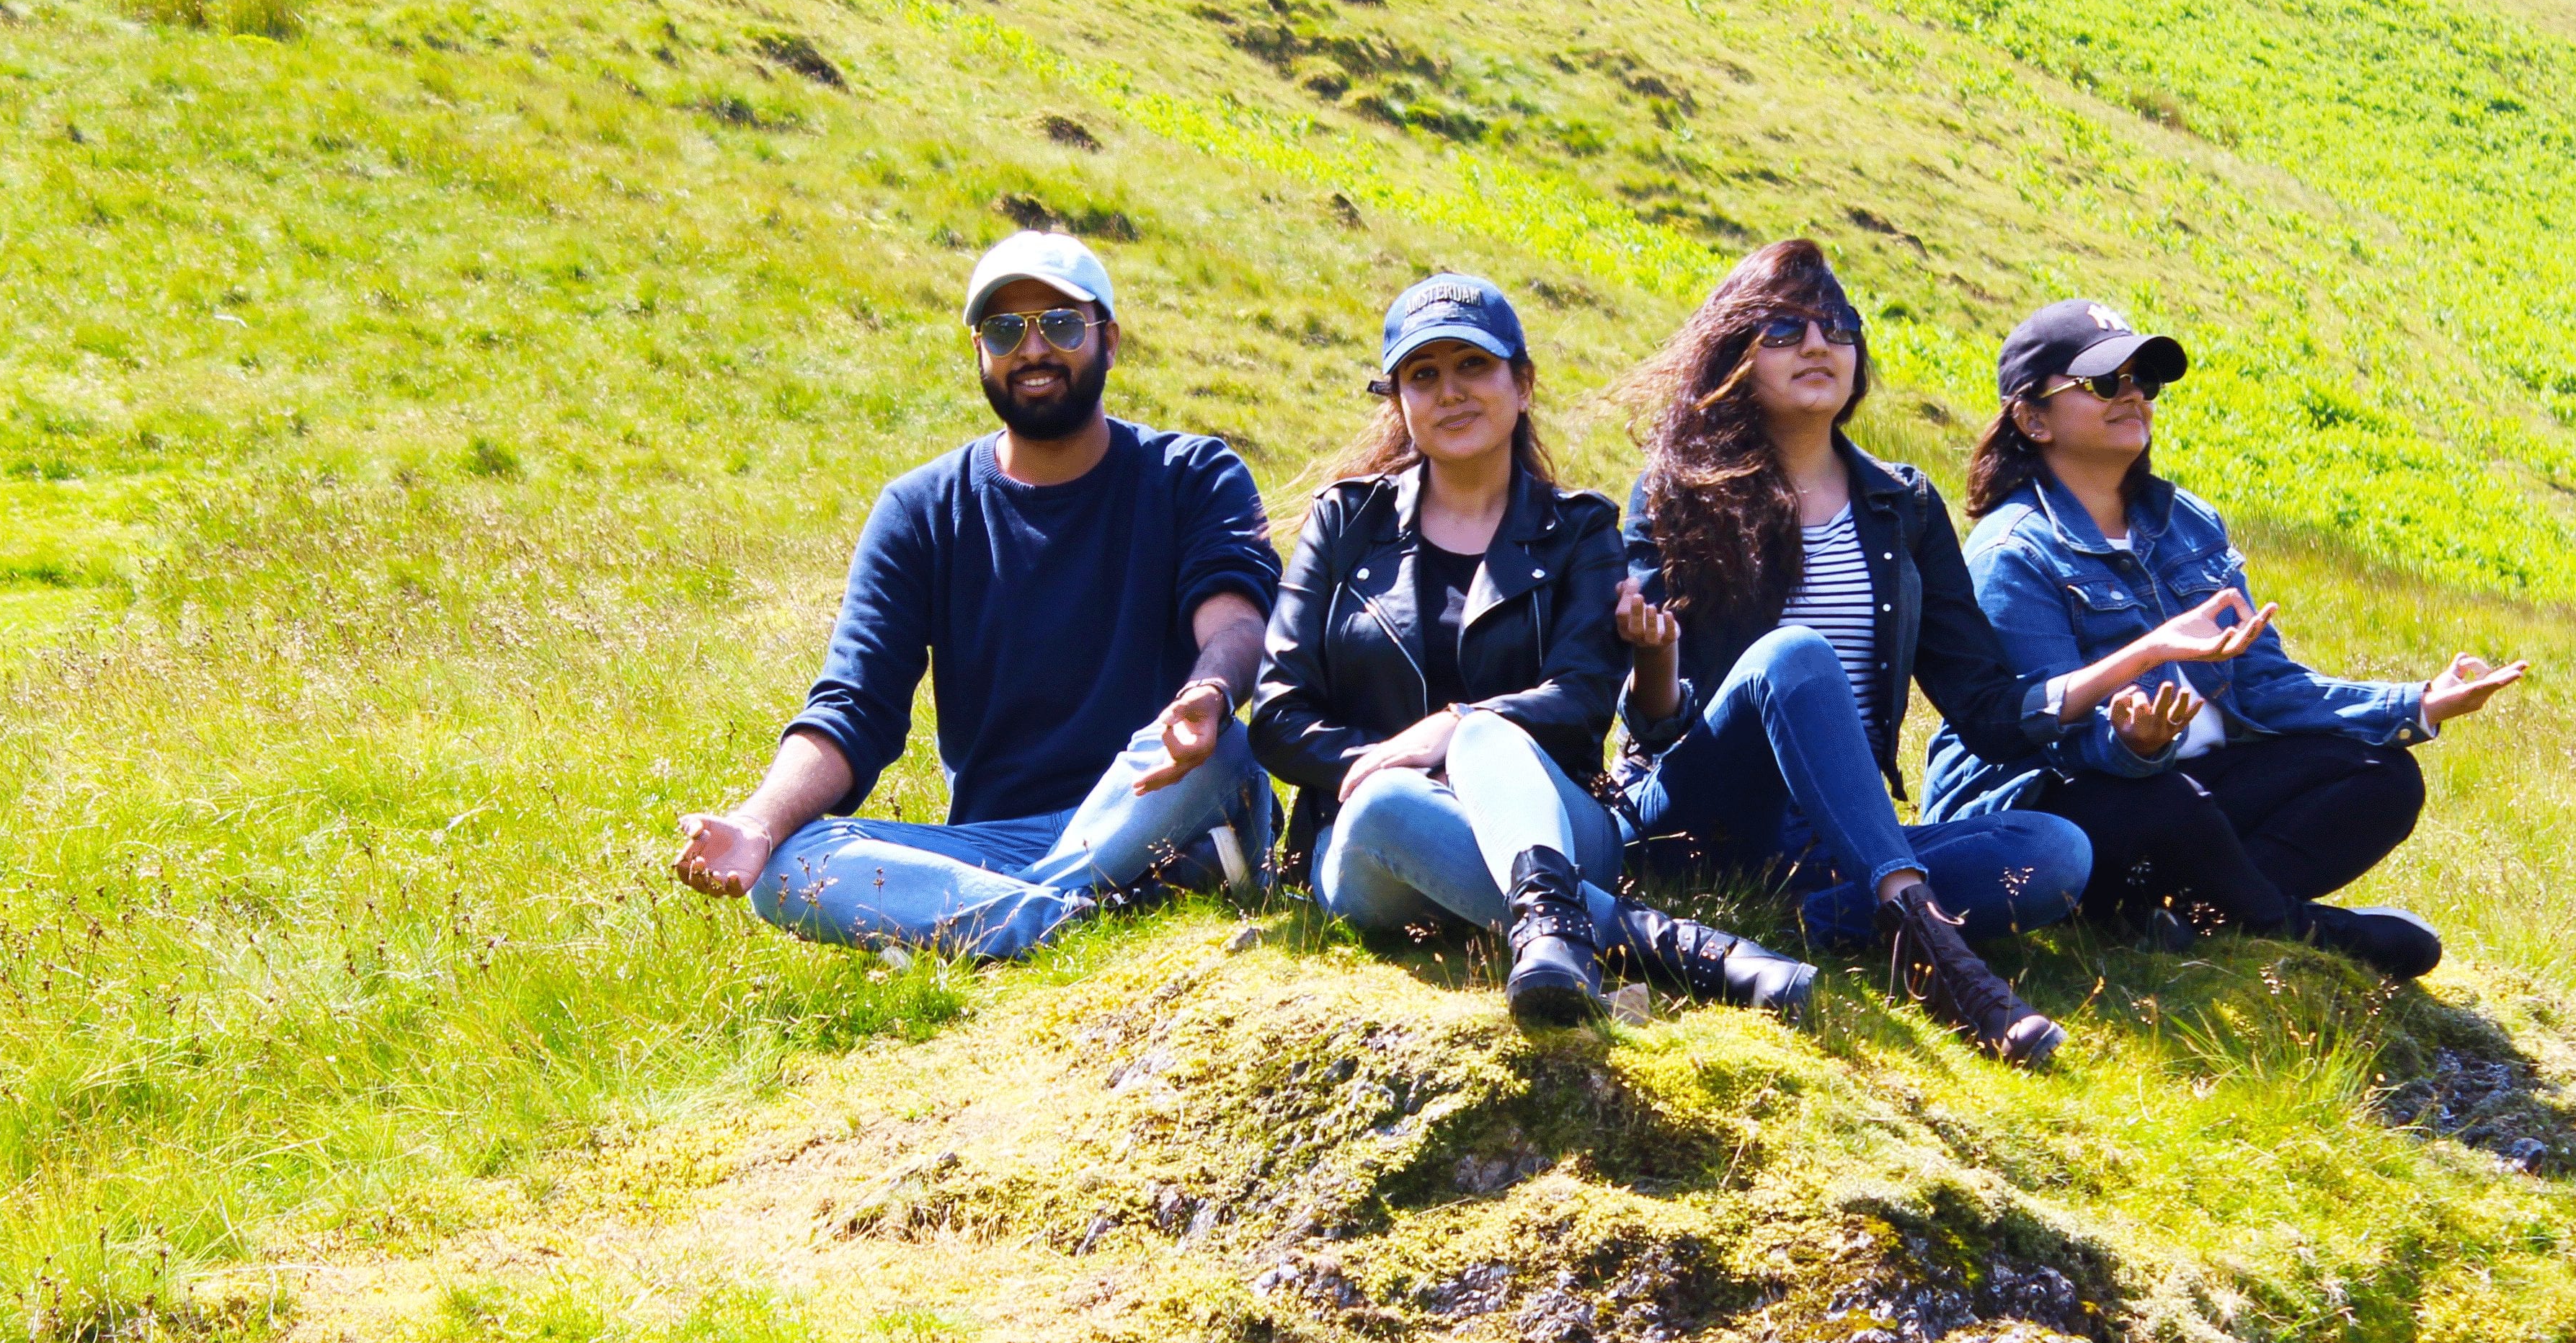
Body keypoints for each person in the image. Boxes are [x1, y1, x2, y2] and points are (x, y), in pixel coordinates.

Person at [1609, 240, 2265, 1067]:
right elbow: (1659, 727)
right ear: (1734, 354)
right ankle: (1933, 947)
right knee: (1794, 658)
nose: (1817, 344)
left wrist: (2142, 654)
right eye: (1782, 329)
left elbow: (1988, 711)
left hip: (1831, 842)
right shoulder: (1675, 492)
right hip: (1701, 817)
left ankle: (1806, 918)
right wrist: (1654, 663)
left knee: (2057, 853)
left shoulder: (1903, 506)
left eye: (1837, 326)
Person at [671, 232, 1278, 958]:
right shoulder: (921, 510)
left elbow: (1236, 622)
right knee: (789, 867)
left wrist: (1209, 693)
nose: (1033, 349)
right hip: (997, 842)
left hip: (1158, 793)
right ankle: (1081, 915)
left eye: (1061, 325)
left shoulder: (1193, 475)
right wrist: (759, 823)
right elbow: (853, 705)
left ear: (1110, 341)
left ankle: (996, 921)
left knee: (1226, 747)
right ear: (979, 352)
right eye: (1004, 330)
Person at [1254, 275, 1816, 1027]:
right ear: (1399, 402)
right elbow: (1277, 714)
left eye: (1473, 365)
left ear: (1522, 385)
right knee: (1387, 805)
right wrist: (1389, 764)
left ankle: (1553, 932)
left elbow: (1581, 696)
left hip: (1557, 821)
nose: (1450, 392)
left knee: (1484, 733)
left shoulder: (1581, 530)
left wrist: (1455, 729)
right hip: (1373, 835)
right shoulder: (1345, 522)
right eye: (1423, 375)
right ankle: (1673, 949)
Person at [1922, 300, 2528, 979]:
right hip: (2054, 807)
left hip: (2185, 794)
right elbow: (2039, 731)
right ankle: (2292, 926)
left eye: (2144, 380)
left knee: (2381, 774)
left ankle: (2186, 917)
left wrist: (2419, 703)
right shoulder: (2012, 552)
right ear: (2033, 420)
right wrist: (2134, 743)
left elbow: (2266, 686)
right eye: (2103, 382)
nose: (2133, 396)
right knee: (2167, 803)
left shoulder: (2189, 522)